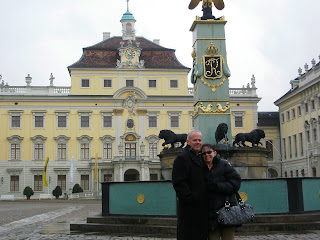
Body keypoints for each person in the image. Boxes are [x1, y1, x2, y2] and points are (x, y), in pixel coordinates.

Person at [172, 130, 208, 240]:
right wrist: (191, 199)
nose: (198, 142)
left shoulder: (200, 158)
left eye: (199, 140)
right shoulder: (183, 158)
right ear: (188, 142)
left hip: (201, 208)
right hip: (190, 209)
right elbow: (179, 183)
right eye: (195, 140)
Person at [202, 143, 241, 240]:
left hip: (226, 209)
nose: (207, 155)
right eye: (204, 153)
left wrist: (218, 186)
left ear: (214, 153)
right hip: (210, 213)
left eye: (209, 152)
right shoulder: (201, 167)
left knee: (228, 237)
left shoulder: (223, 164)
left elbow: (236, 182)